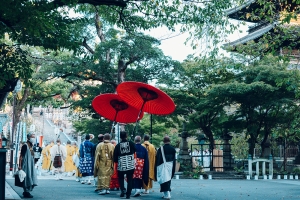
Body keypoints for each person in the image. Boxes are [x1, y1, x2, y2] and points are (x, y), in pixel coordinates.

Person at [113, 131, 136, 199]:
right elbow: (135, 150)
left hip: (121, 163)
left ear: (120, 137)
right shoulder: (131, 143)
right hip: (130, 162)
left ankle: (123, 190)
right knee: (130, 179)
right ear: (127, 136)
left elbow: (115, 156)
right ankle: (128, 194)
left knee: (121, 178)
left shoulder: (118, 145)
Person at [18, 133, 38, 198]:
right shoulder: (25, 145)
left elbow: (32, 155)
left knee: (31, 176)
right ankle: (26, 191)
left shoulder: (31, 146)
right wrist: (20, 165)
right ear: (28, 138)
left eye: (34, 137)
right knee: (27, 177)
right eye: (32, 137)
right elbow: (21, 156)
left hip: (31, 165)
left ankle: (27, 191)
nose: (33, 138)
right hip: (26, 164)